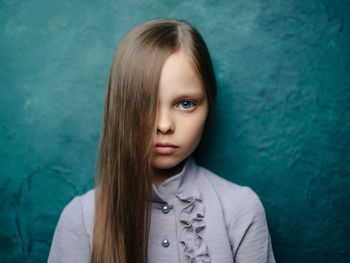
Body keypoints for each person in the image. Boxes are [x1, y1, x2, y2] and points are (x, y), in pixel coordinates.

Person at [48, 18, 276, 263]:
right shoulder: (81, 218)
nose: (164, 125)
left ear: (209, 105)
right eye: (145, 104)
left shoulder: (241, 209)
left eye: (186, 104)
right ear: (120, 108)